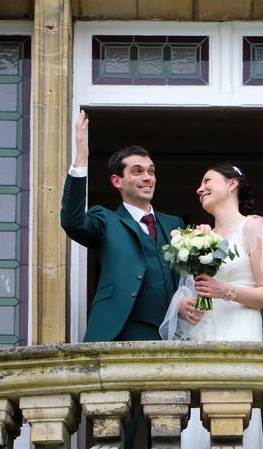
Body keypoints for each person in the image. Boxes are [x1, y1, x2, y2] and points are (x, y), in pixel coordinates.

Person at [61, 110, 185, 447]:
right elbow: (72, 222)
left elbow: (188, 279)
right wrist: (80, 159)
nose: (148, 178)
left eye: (151, 171)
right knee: (119, 428)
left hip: (168, 336)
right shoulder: (104, 219)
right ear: (118, 181)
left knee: (167, 426)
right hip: (123, 330)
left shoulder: (176, 224)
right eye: (137, 171)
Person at [159, 162, 263, 448]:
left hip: (239, 332)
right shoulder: (200, 237)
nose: (199, 188)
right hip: (202, 337)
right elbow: (189, 288)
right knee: (197, 422)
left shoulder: (253, 227)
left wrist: (223, 290)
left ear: (232, 185)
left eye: (207, 181)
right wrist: (183, 303)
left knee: (234, 416)